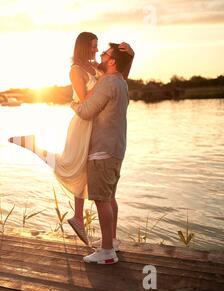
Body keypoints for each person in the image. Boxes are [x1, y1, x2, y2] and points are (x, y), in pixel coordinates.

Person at [8, 32, 134, 248]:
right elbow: (85, 100)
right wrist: (100, 83)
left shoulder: (99, 68)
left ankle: (96, 231)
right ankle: (34, 146)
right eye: (94, 46)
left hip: (95, 122)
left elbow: (119, 74)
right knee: (71, 166)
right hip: (83, 121)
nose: (97, 50)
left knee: (83, 171)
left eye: (99, 47)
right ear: (84, 47)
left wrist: (130, 56)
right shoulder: (76, 70)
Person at [71, 43, 133, 264]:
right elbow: (124, 69)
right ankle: (112, 242)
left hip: (102, 151)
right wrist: (131, 55)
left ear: (113, 61)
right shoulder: (120, 82)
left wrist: (73, 104)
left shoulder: (107, 82)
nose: (101, 55)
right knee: (109, 198)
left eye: (106, 54)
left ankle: (107, 252)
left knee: (101, 200)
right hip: (116, 149)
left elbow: (87, 112)